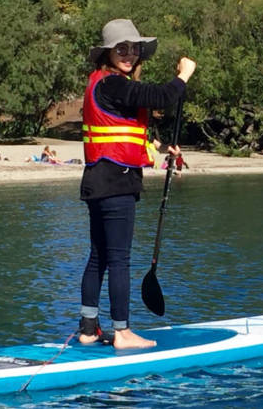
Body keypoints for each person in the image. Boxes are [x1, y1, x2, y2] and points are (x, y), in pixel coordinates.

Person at [78, 18, 196, 350]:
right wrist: (183, 75)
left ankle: (88, 329)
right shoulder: (114, 83)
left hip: (98, 180)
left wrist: (159, 148)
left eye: (133, 49)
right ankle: (123, 333)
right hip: (116, 182)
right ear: (107, 53)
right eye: (121, 49)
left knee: (98, 257)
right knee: (119, 259)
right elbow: (160, 96)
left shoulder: (102, 84)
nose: (129, 54)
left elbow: (121, 132)